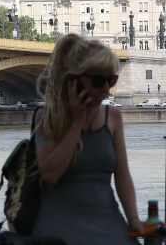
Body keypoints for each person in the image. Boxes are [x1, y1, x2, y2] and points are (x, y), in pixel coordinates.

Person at [31, 34, 165, 244]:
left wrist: (133, 220)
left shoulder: (112, 116)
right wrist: (76, 123)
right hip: (59, 229)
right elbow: (50, 175)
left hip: (108, 222)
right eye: (98, 81)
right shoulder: (46, 117)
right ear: (73, 80)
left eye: (111, 80)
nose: (106, 88)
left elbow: (122, 176)